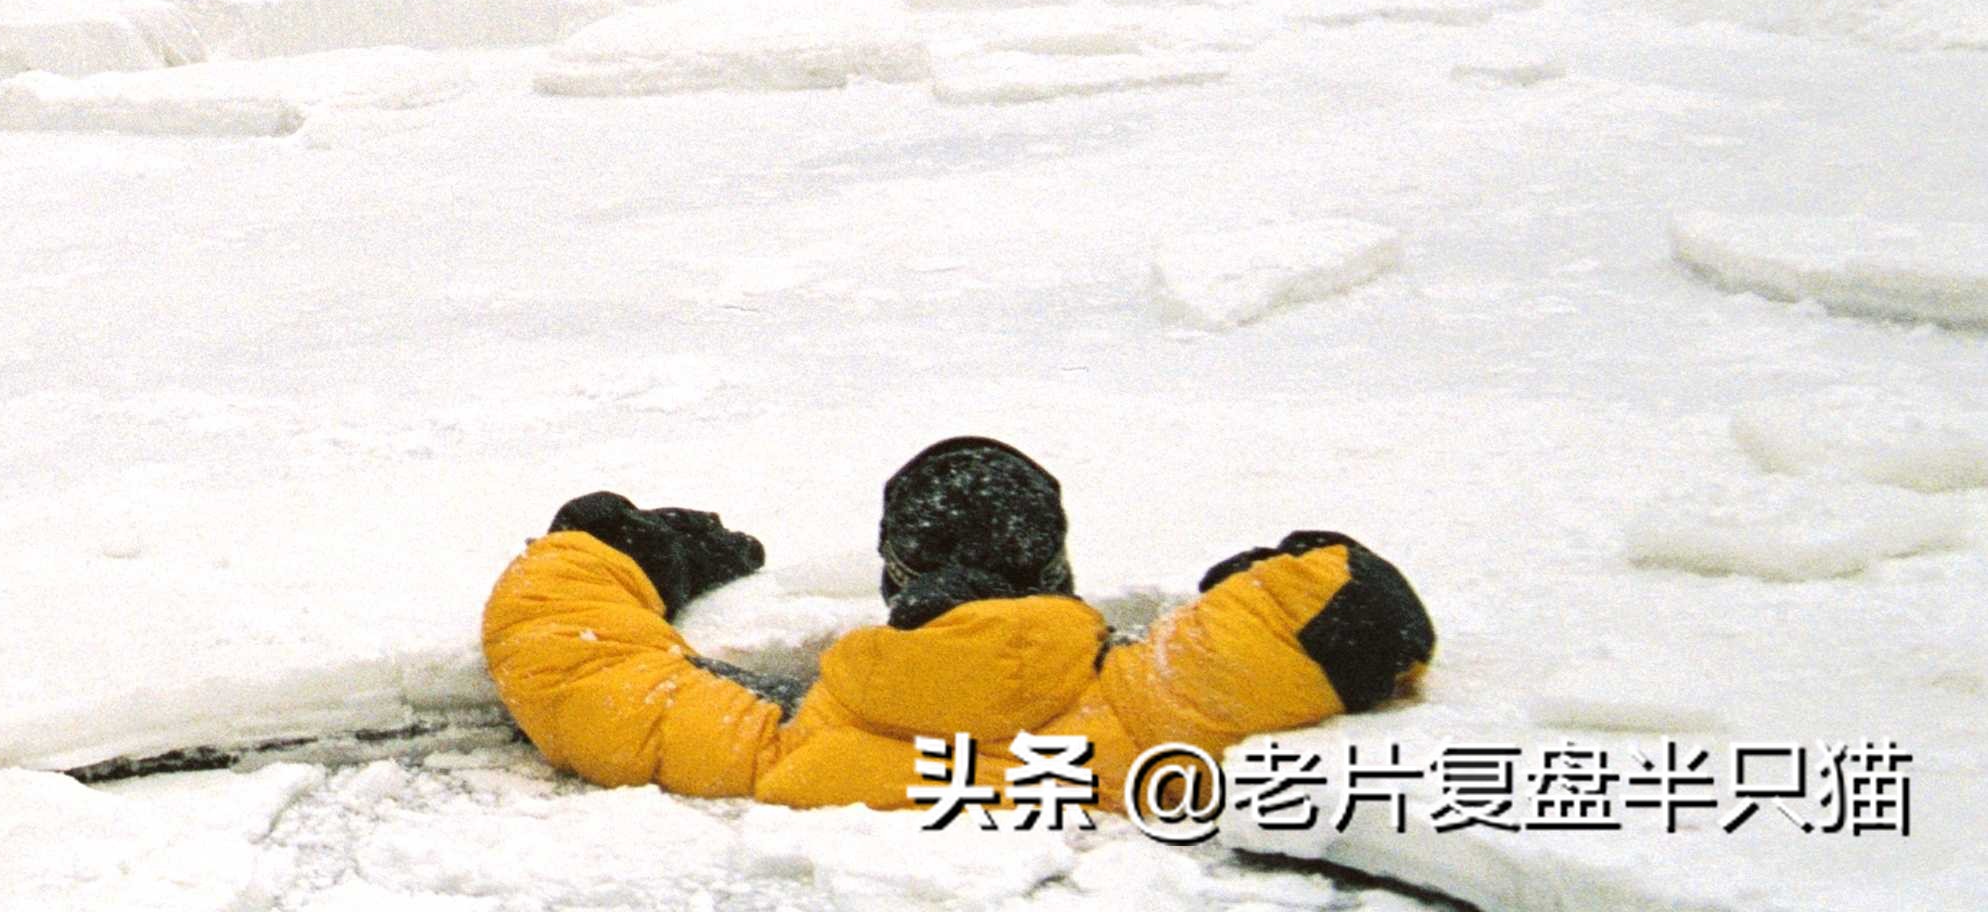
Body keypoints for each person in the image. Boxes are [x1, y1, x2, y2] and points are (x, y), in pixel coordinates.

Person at [482, 438, 1434, 811]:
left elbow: (573, 660)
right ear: (1055, 567)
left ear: (899, 581)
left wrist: (634, 551)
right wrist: (1248, 579)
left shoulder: (787, 748)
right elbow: (1354, 603)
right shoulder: (1158, 718)